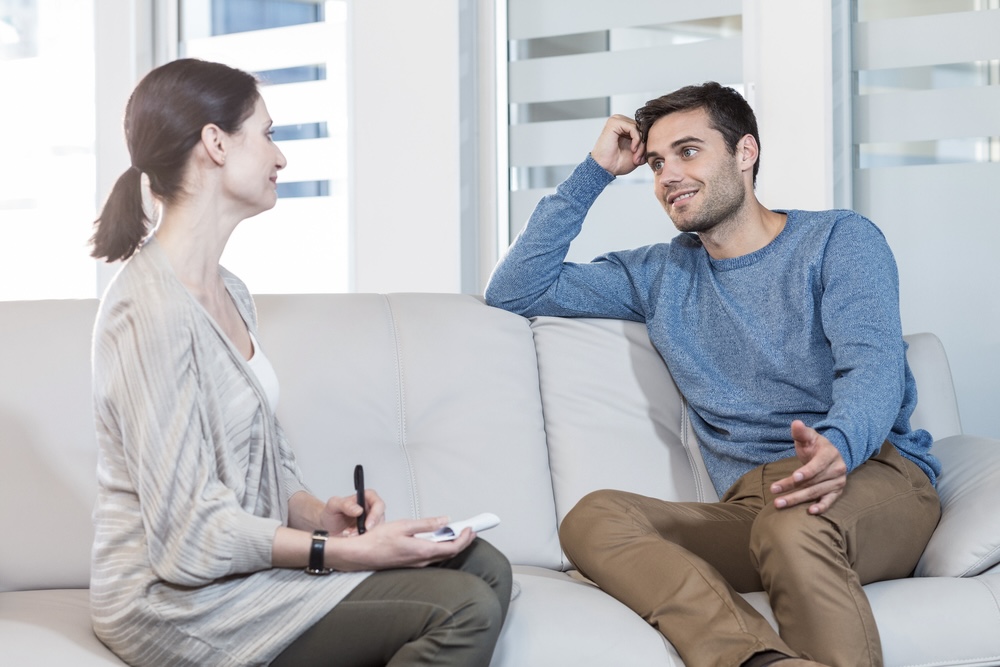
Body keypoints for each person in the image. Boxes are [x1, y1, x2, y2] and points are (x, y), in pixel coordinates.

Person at [484, 82, 941, 667]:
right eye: (655, 162)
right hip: (753, 507)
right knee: (594, 518)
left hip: (869, 476)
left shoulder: (838, 239)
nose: (668, 174)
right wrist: (595, 172)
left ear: (744, 153)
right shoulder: (658, 274)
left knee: (792, 527)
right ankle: (758, 661)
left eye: (689, 151)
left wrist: (839, 445)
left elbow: (873, 365)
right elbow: (516, 288)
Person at [89, 58, 511, 667]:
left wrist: (320, 514)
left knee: (482, 563)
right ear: (214, 142)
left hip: (239, 571)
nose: (280, 158)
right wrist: (342, 552)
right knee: (464, 606)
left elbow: (258, 462)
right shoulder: (148, 313)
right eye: (267, 134)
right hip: (177, 602)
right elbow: (188, 539)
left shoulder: (228, 291)